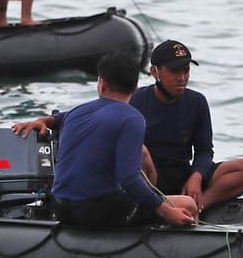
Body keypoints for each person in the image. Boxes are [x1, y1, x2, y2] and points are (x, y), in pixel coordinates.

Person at [12, 50, 197, 228]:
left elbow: (58, 119)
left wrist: (41, 120)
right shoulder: (132, 118)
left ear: (102, 84)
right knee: (187, 204)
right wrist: (166, 212)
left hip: (61, 208)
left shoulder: (78, 112)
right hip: (98, 211)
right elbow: (129, 179)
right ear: (135, 87)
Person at [130, 40, 243, 212]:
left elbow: (204, 151)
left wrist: (196, 177)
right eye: (174, 71)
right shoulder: (136, 101)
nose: (182, 78)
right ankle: (164, 206)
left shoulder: (197, 101)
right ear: (155, 72)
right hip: (151, 178)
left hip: (184, 175)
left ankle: (198, 207)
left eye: (186, 71)